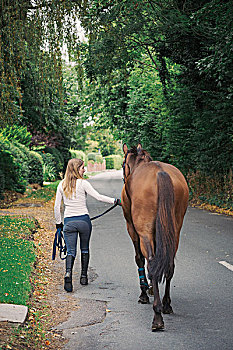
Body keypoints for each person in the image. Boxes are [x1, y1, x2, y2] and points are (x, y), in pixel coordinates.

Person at [54, 158, 121, 292]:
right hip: (84, 221)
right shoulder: (83, 183)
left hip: (69, 222)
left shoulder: (61, 185)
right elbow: (98, 197)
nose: (84, 170)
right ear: (76, 169)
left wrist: (58, 224)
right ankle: (83, 276)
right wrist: (116, 201)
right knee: (84, 249)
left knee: (71, 251)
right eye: (82, 167)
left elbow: (56, 207)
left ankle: (68, 274)